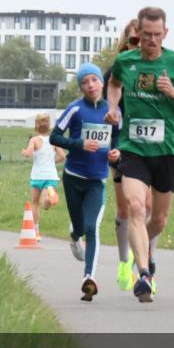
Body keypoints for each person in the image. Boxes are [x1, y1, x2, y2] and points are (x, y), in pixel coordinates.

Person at [106, 6, 174, 302]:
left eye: (156, 35)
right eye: (145, 34)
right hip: (133, 148)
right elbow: (113, 83)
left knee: (158, 219)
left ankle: (144, 251)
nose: (150, 40)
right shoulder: (125, 61)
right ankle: (144, 274)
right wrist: (112, 108)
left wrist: (173, 93)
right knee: (135, 207)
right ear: (138, 32)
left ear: (165, 33)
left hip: (167, 150)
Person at [51, 64, 120, 302]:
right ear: (81, 87)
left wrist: (116, 153)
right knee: (79, 228)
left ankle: (88, 277)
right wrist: (80, 144)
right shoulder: (75, 109)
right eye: (84, 82)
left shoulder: (113, 112)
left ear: (102, 83)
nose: (90, 85)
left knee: (92, 228)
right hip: (73, 178)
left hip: (96, 181)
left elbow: (118, 139)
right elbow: (54, 136)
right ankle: (74, 235)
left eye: (94, 80)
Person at [104, 18, 151, 290]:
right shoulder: (116, 70)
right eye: (134, 41)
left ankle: (147, 267)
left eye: (143, 41)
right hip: (121, 144)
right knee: (127, 207)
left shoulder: (159, 69)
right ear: (126, 42)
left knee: (149, 208)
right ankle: (125, 263)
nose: (139, 46)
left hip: (152, 146)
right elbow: (102, 106)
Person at [21, 113, 65, 240]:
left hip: (37, 176)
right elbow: (62, 156)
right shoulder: (54, 140)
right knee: (45, 202)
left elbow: (28, 153)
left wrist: (24, 152)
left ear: (37, 126)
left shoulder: (34, 140)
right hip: (51, 175)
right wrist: (52, 162)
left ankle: (36, 232)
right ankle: (51, 197)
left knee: (35, 203)